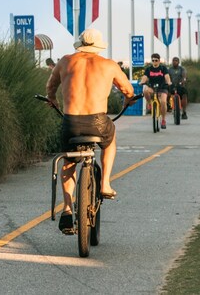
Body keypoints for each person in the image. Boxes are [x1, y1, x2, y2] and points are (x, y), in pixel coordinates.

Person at [45, 28, 135, 235]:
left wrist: (53, 100)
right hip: (97, 121)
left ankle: (67, 209)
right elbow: (128, 90)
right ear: (98, 46)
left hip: (72, 122)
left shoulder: (65, 61)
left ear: (80, 44)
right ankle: (104, 183)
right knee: (110, 138)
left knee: (68, 161)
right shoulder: (109, 65)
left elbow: (50, 87)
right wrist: (128, 100)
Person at [139, 53, 172, 129]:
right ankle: (150, 103)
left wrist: (169, 82)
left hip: (162, 88)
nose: (154, 62)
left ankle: (163, 120)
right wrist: (142, 82)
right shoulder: (149, 69)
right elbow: (145, 77)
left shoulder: (163, 68)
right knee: (145, 91)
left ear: (159, 61)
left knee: (163, 102)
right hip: (152, 87)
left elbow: (167, 76)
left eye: (156, 60)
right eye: (153, 60)